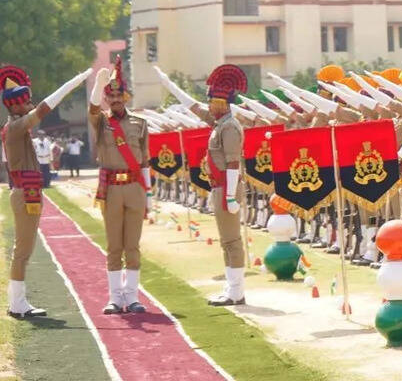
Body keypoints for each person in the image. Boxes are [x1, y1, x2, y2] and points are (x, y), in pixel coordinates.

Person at [1, 64, 92, 318]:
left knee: (24, 249)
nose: (30, 104)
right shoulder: (16, 127)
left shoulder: (16, 126)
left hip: (27, 191)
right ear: (14, 105)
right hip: (24, 193)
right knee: (23, 250)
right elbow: (44, 108)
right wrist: (76, 80)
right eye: (25, 101)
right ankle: (17, 304)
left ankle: (17, 302)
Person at [156, 63, 250, 305]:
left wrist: (230, 196)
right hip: (219, 187)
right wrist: (169, 85)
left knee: (232, 240)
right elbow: (194, 107)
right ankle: (232, 288)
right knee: (226, 241)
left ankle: (236, 291)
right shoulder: (220, 123)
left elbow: (232, 163)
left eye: (218, 103)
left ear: (226, 104)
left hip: (226, 188)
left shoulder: (229, 127)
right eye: (212, 103)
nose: (213, 107)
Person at [87, 58, 152, 314]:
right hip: (111, 188)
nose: (114, 99)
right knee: (114, 245)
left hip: (135, 186)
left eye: (118, 95)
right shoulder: (101, 122)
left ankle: (133, 296)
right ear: (106, 99)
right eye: (109, 95)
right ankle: (115, 297)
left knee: (133, 246)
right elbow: (92, 108)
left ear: (125, 97)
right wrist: (98, 84)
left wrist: (149, 196)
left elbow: (145, 161)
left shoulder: (140, 124)